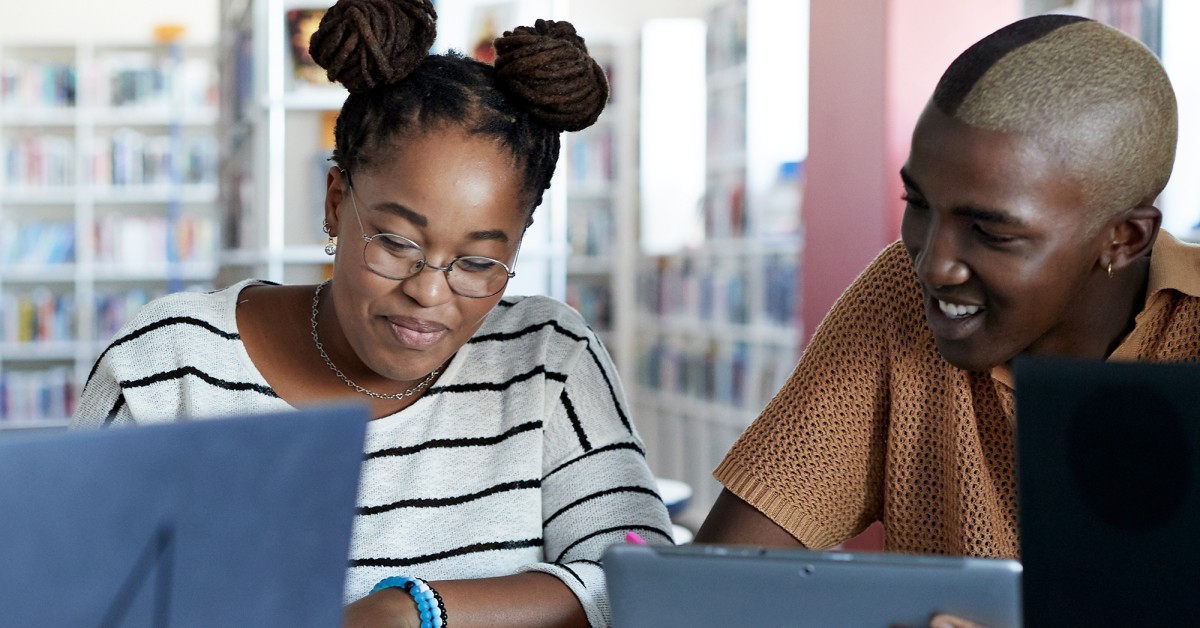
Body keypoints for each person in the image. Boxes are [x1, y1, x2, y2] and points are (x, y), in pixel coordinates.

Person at [71, 1, 673, 626]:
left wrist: (414, 611)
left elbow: (641, 579)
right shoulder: (169, 366)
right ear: (335, 202)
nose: (429, 293)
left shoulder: (549, 356)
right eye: (397, 243)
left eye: (478, 262)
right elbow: (68, 590)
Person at [695, 13, 1198, 562]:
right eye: (919, 205)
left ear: (1124, 239)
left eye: (991, 231)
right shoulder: (901, 294)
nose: (934, 266)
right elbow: (715, 583)